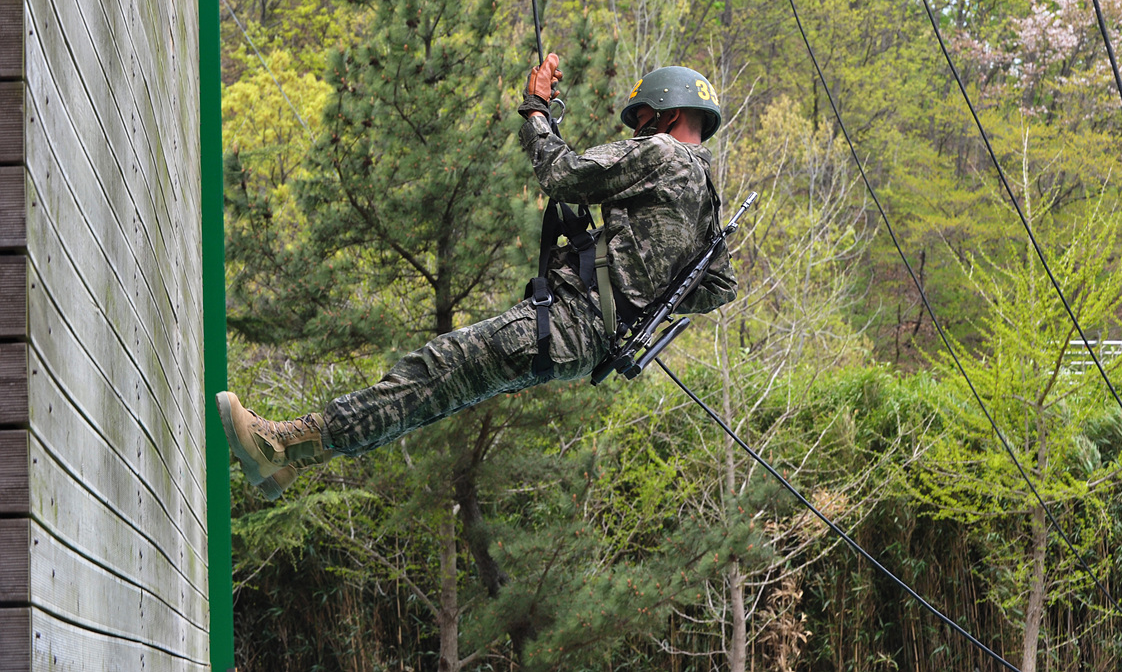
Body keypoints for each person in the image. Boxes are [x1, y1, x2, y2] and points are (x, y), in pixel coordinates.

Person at [216, 56, 738, 499]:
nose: (636, 126)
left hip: (568, 324)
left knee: (434, 371)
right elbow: (717, 286)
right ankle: (291, 459)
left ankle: (278, 444)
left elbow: (563, 174)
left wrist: (536, 112)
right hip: (590, 342)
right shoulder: (707, 199)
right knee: (441, 390)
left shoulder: (662, 152)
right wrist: (639, 284)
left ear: (667, 113)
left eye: (641, 115)